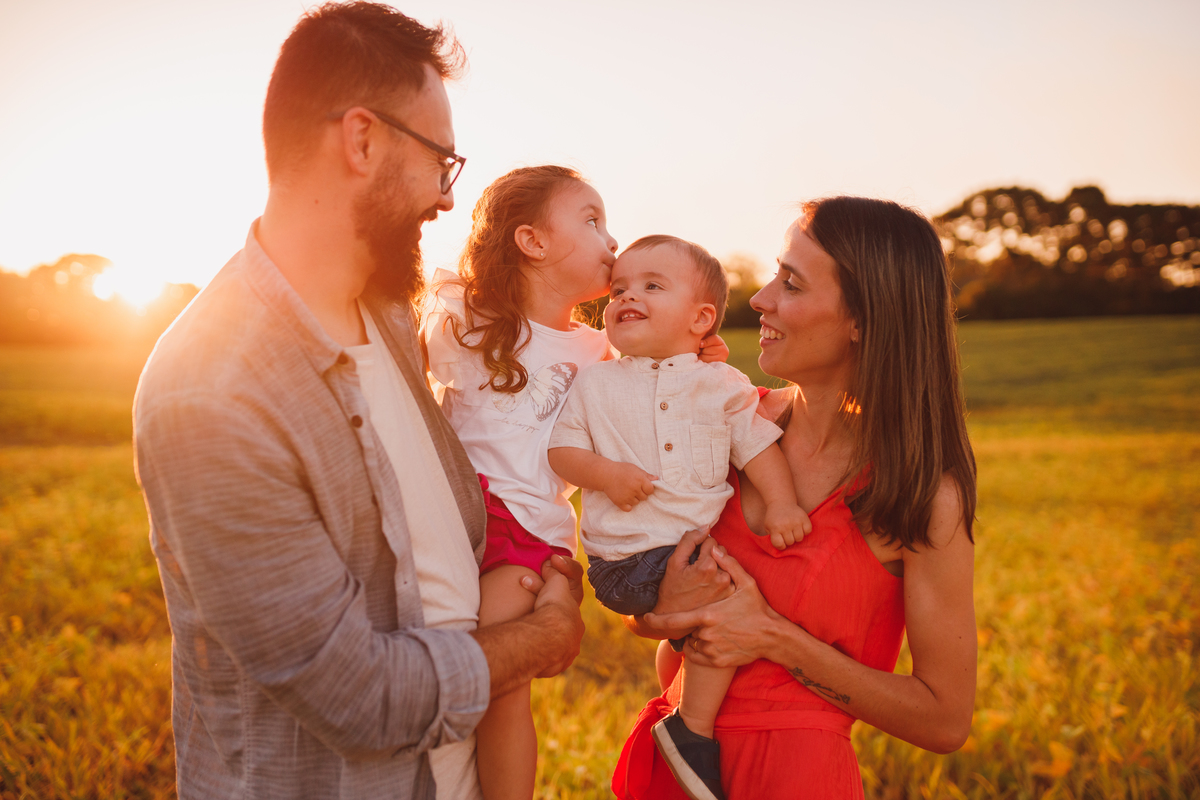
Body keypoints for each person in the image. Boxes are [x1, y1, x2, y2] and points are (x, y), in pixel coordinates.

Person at [132, 5, 584, 799]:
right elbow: (358, 697)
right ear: (363, 140)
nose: (448, 200)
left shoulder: (388, 317)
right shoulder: (213, 393)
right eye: (442, 162)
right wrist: (542, 639)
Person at [611, 197, 978, 799]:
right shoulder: (721, 421)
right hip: (667, 765)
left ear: (863, 318)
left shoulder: (920, 494)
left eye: (792, 283)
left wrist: (773, 636)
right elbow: (644, 608)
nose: (760, 300)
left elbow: (943, 719)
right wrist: (659, 610)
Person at [420, 172, 731, 800]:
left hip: (525, 534)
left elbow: (658, 399)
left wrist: (694, 354)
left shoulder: (604, 352)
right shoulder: (467, 320)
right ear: (531, 241)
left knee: (500, 686)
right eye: (591, 221)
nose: (611, 240)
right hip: (445, 514)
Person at [548, 235, 811, 800]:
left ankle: (682, 699)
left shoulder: (720, 384)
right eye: (618, 289)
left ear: (701, 319)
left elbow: (757, 446)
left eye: (650, 286)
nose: (626, 296)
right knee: (726, 600)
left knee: (723, 595)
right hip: (623, 561)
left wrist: (784, 503)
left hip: (684, 551)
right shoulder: (595, 382)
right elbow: (561, 453)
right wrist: (607, 474)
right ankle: (692, 727)